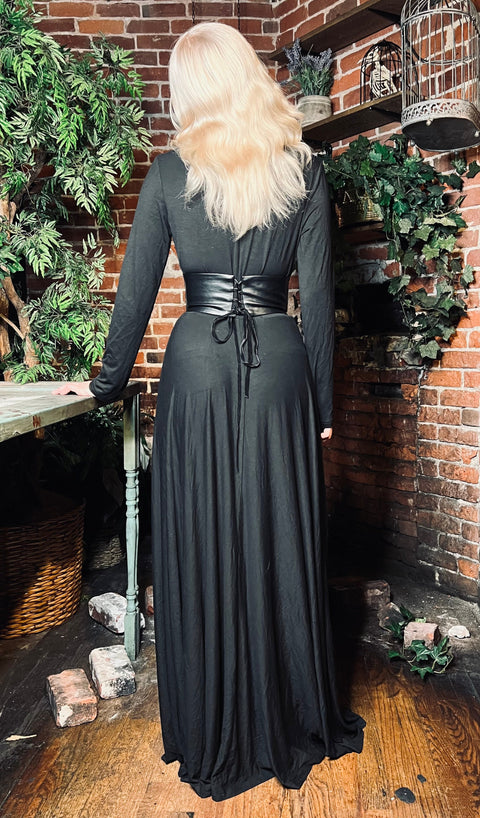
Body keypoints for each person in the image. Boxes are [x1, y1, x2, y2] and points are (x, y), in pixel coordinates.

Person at [54, 21, 365, 801]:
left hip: (195, 363)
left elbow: (134, 294)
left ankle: (213, 720)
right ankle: (290, 712)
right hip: (280, 364)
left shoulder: (168, 173)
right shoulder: (303, 168)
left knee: (203, 531)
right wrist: (322, 406)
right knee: (278, 530)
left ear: (190, 90)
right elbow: (317, 302)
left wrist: (103, 382)